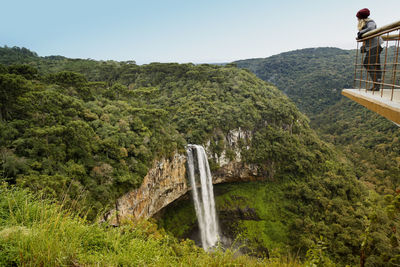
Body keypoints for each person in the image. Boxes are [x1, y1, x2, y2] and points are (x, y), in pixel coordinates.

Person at [356, 8, 383, 91]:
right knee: (375, 65)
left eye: (358, 18)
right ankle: (376, 85)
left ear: (361, 18)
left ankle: (376, 83)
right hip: (374, 45)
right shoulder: (366, 23)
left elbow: (371, 29)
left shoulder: (370, 22)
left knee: (367, 63)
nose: (357, 19)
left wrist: (360, 33)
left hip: (374, 45)